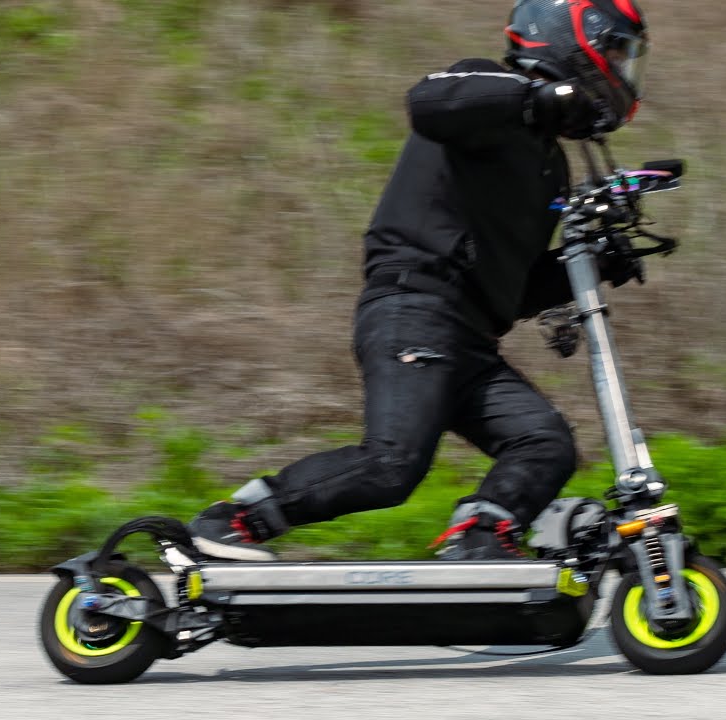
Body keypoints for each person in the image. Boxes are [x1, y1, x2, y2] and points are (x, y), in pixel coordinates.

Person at [188, 0, 651, 562]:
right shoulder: (481, 85)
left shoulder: (548, 165)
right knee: (392, 465)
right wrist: (536, 98)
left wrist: (598, 262)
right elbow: (428, 103)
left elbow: (515, 289)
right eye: (616, 53)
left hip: (470, 341)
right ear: (571, 40)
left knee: (543, 442)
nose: (621, 70)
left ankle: (480, 538)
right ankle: (234, 521)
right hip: (414, 308)